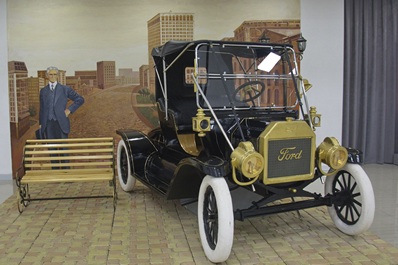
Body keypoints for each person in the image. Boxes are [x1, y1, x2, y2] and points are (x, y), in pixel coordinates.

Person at [39, 66, 84, 139]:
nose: (53, 76)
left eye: (54, 74)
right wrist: (41, 124)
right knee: (51, 149)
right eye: (50, 74)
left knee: (63, 149)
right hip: (48, 125)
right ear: (47, 76)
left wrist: (69, 110)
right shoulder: (43, 91)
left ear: (57, 76)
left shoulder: (65, 89)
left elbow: (80, 99)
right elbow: (42, 109)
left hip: (61, 124)